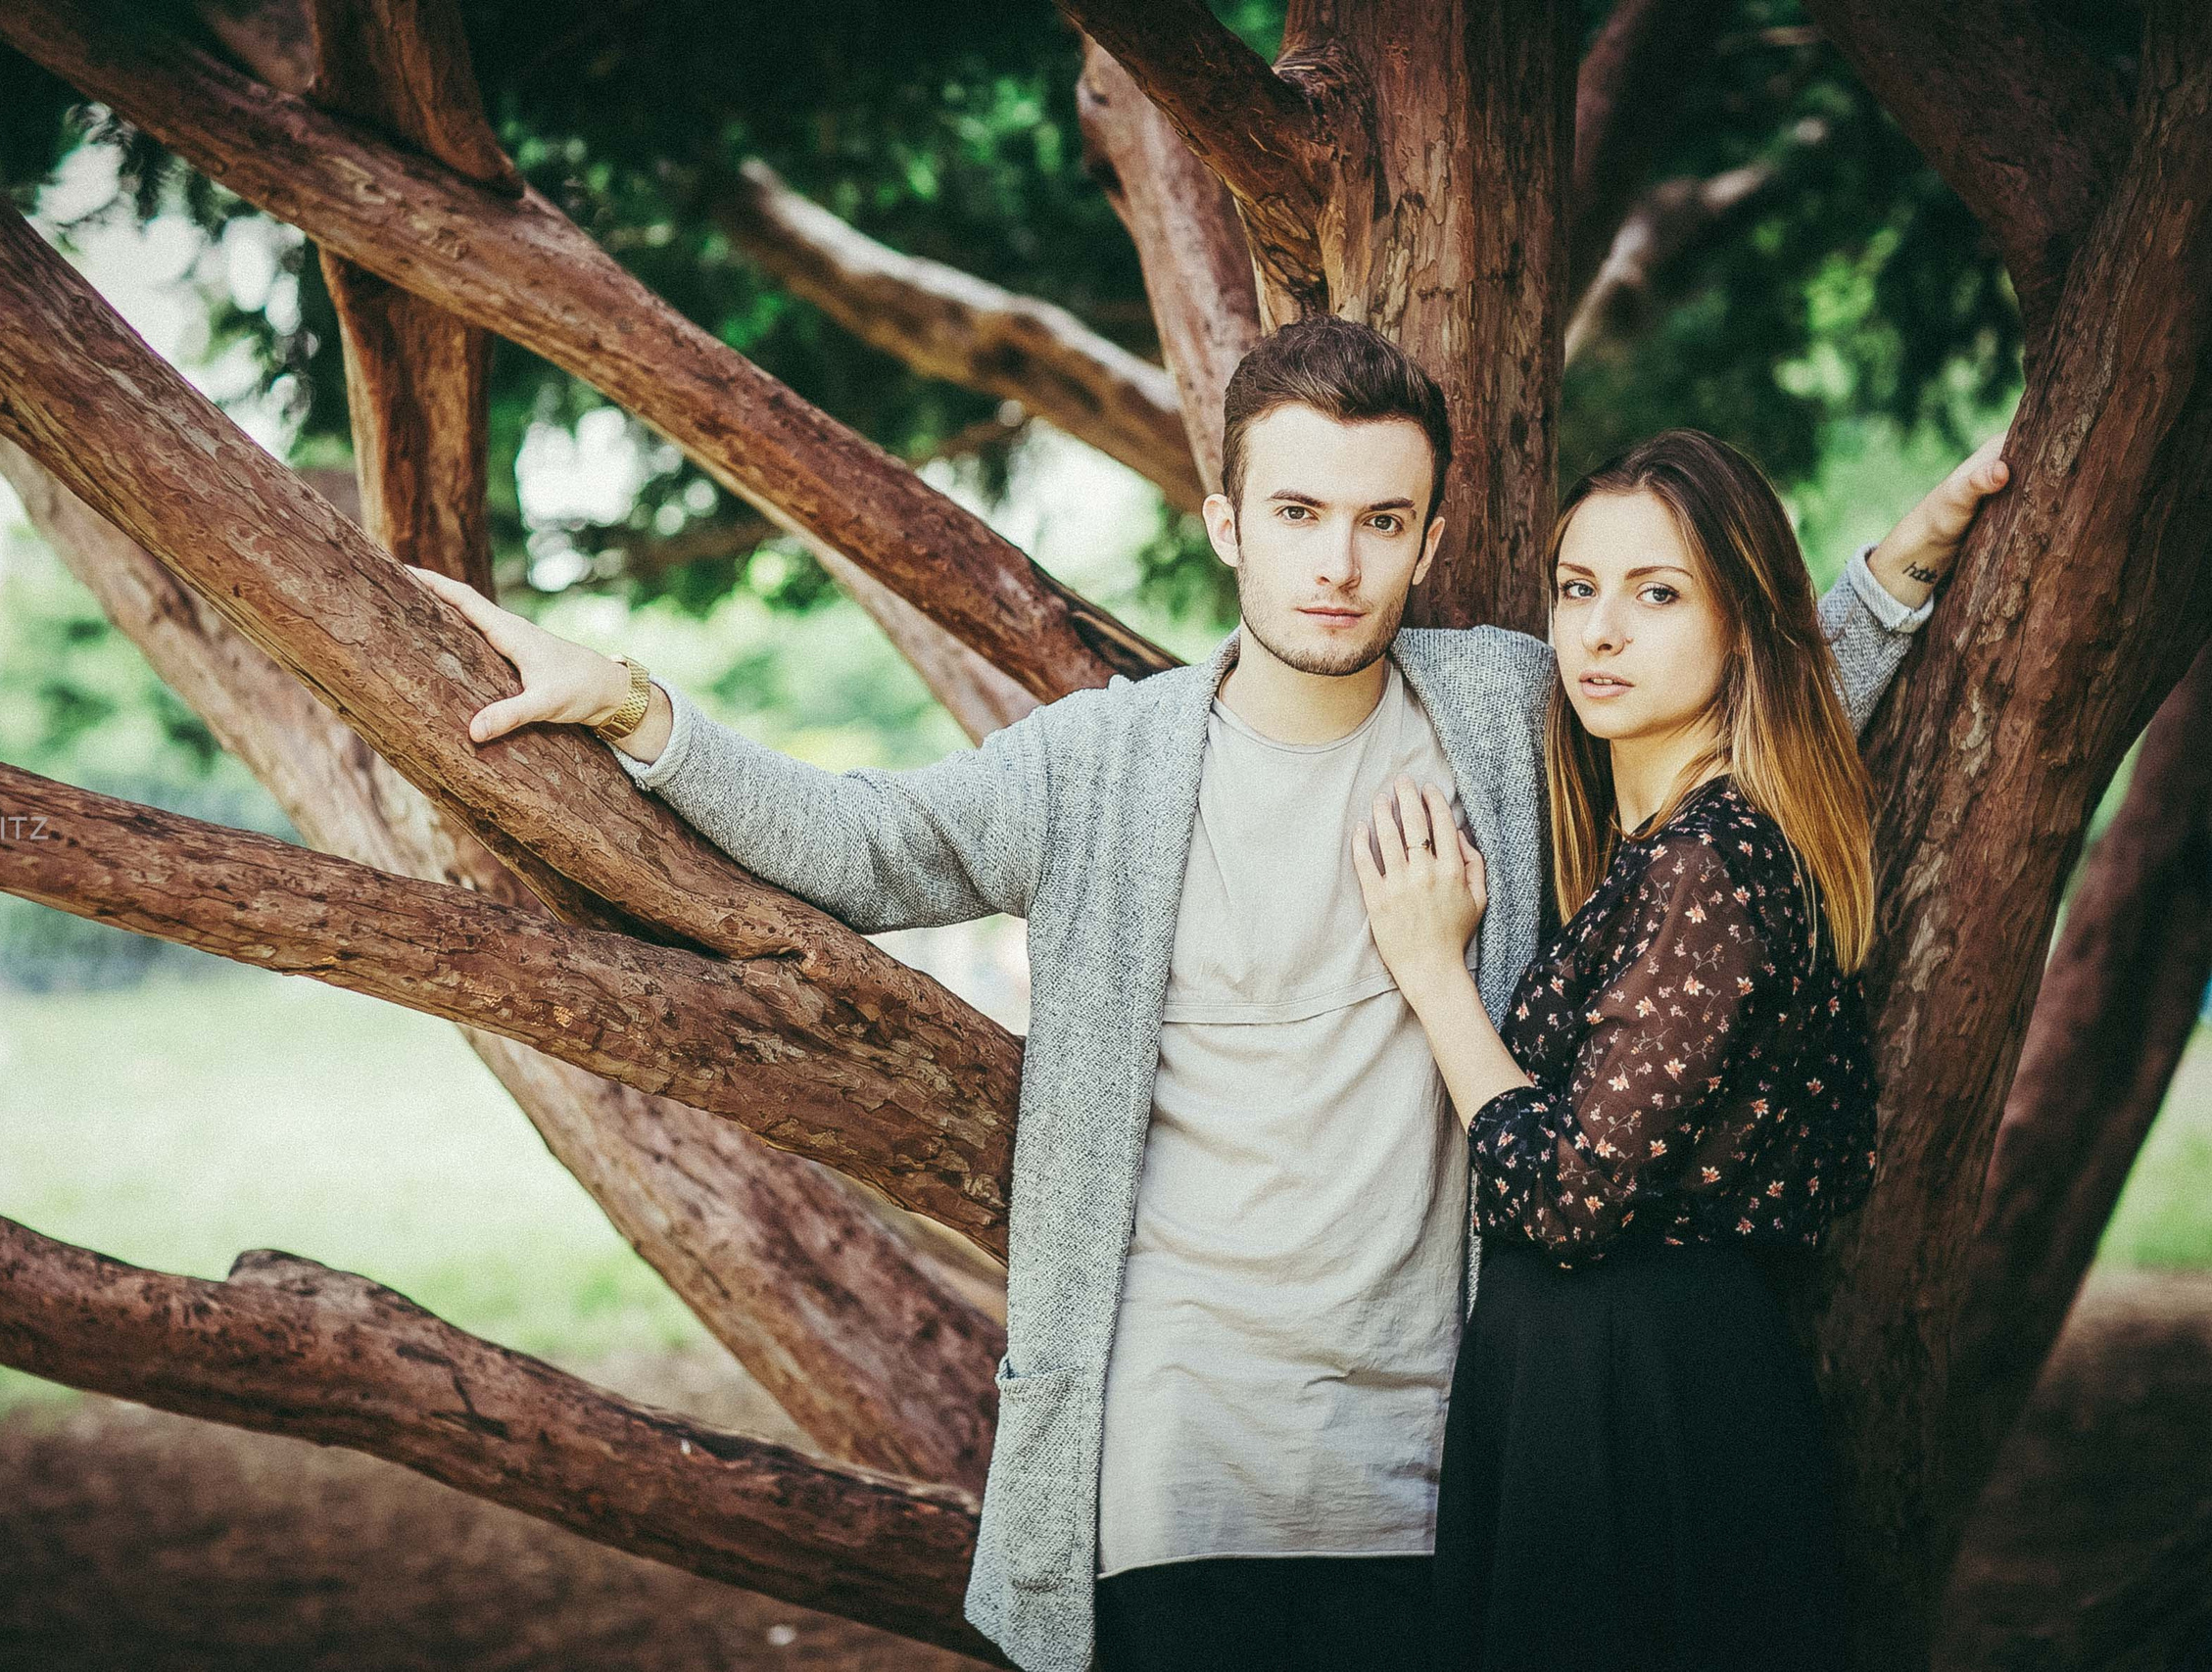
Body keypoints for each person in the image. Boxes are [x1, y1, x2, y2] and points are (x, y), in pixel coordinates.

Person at [406, 318, 1998, 1672]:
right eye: (1299, 511)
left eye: (1383, 521)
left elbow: (1709, 715)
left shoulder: (1509, 707)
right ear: (1229, 520)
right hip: (1175, 1470)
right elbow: (865, 844)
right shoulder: (1104, 765)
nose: (1338, 559)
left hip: (1439, 1466)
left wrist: (1891, 583)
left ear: (1431, 539)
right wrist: (633, 702)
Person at [1353, 428, 1996, 1671]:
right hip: (1609, 1381)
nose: (1596, 633)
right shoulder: (1674, 843)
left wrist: (1435, 976)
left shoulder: (1707, 862)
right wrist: (1896, 575)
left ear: (1740, 627)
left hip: (1632, 1394)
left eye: (1656, 595)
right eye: (1577, 590)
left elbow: (1569, 1197)